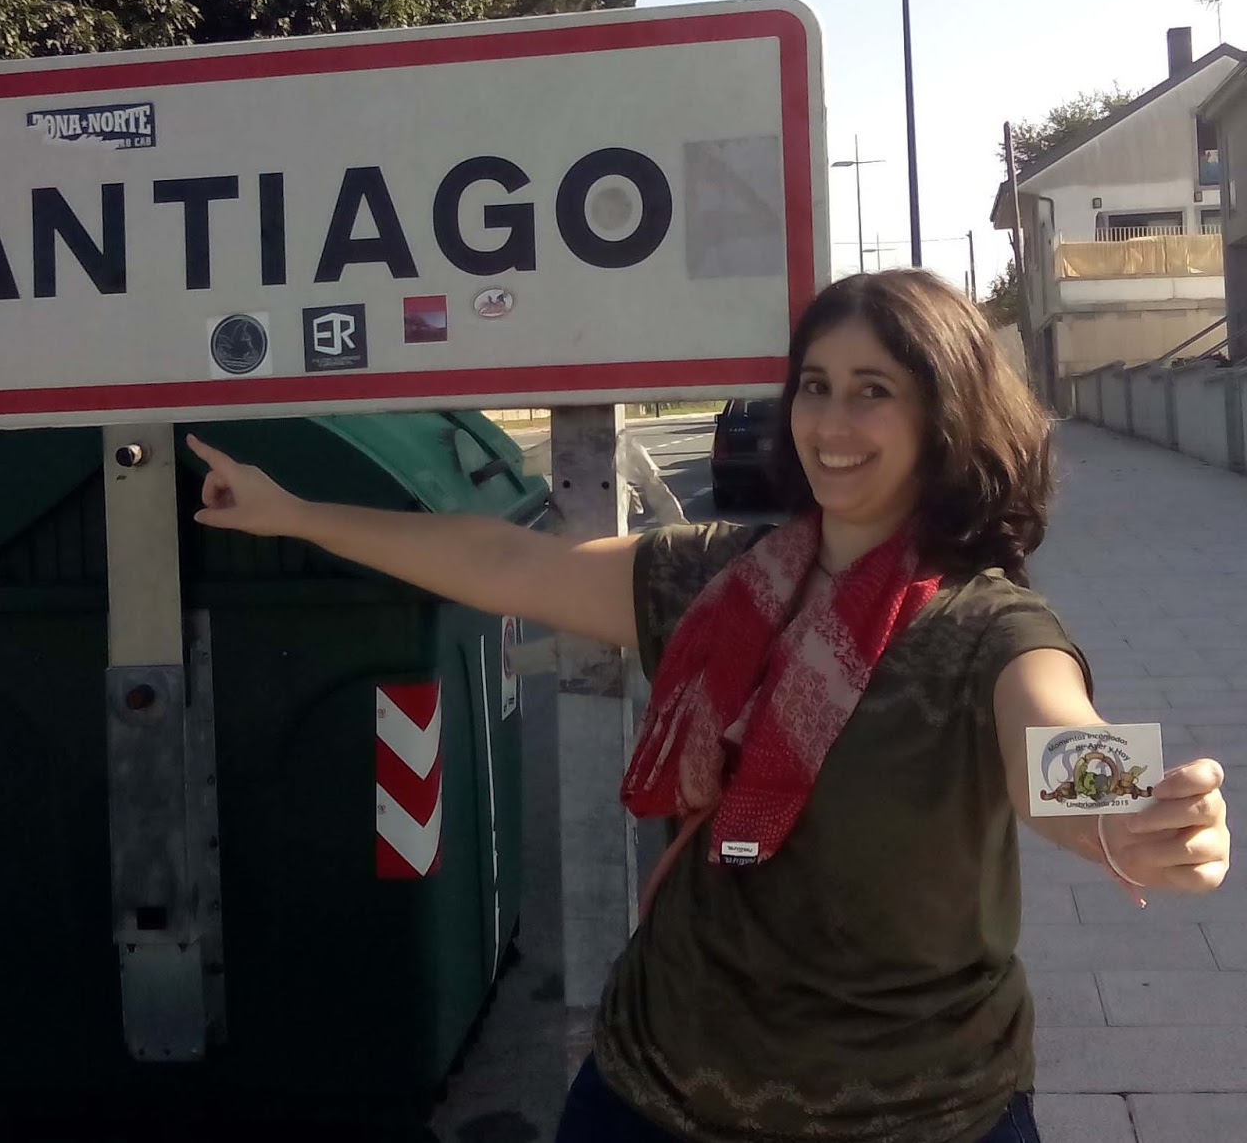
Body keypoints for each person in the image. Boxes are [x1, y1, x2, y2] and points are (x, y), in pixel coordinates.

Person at [187, 270, 1231, 1143]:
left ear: (942, 415)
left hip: (919, 1112)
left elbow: (1056, 733)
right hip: (656, 1092)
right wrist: (292, 512)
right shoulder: (714, 578)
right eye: (813, 385)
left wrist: (1123, 817)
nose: (830, 421)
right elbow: (505, 558)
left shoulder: (988, 629)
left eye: (873, 390)